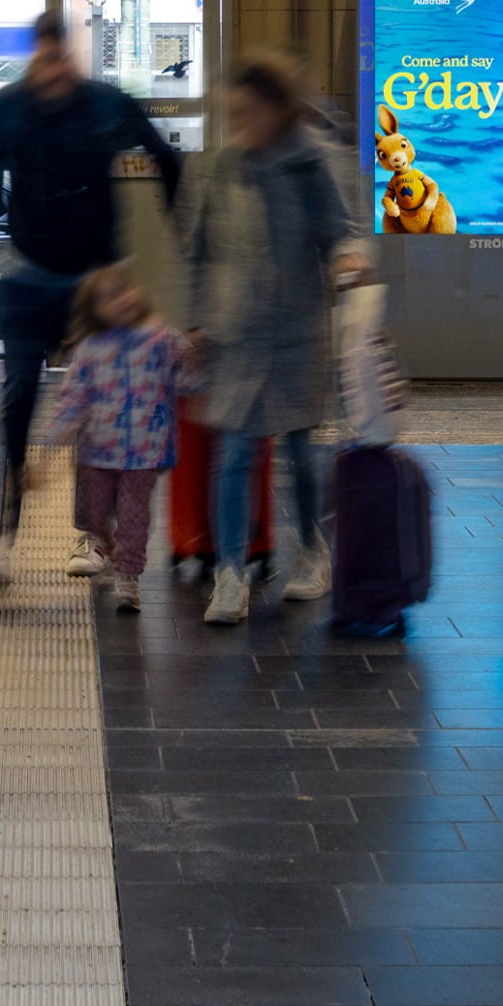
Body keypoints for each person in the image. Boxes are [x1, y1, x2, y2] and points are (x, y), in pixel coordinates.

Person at [0, 10, 179, 580]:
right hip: (32, 272)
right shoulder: (11, 108)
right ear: (37, 57)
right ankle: (3, 536)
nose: (54, 71)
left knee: (105, 409)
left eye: (62, 59)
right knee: (18, 399)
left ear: (71, 57)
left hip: (97, 283)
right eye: (46, 59)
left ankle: (93, 538)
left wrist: (178, 232)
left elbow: (164, 157)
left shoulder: (104, 102)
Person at [177, 50, 366, 627]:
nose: (240, 127)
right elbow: (200, 249)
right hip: (237, 332)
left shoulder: (310, 163)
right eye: (232, 116)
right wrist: (195, 323)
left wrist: (347, 260)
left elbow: (338, 232)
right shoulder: (223, 167)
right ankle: (229, 575)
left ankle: (312, 547)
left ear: (278, 111)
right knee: (234, 453)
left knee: (302, 453)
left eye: (249, 114)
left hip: (298, 330)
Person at [41, 265, 187, 615]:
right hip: (97, 453)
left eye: (126, 290)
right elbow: (72, 401)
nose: (122, 300)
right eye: (110, 297)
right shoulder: (89, 351)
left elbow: (184, 377)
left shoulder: (161, 340)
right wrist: (49, 444)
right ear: (94, 311)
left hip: (142, 453)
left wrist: (197, 362)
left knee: (135, 517)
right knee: (97, 515)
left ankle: (128, 577)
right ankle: (105, 546)